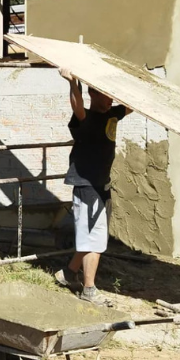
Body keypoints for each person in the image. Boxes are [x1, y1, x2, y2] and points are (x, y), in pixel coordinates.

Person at [61, 72, 132, 304]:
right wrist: (73, 81)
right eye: (105, 92)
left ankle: (68, 274)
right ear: (93, 93)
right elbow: (77, 107)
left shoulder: (113, 114)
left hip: (102, 185)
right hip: (86, 185)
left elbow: (133, 105)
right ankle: (89, 290)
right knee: (93, 238)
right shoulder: (87, 118)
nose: (110, 97)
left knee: (93, 234)